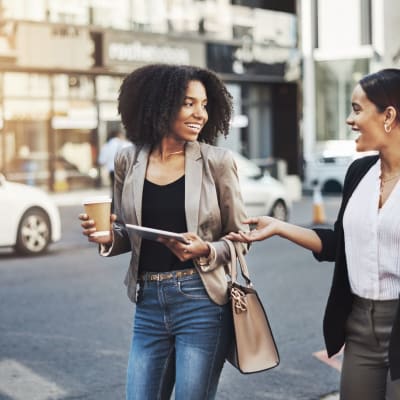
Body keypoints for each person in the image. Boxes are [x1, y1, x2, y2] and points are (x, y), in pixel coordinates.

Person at [227, 68, 400, 400]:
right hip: (360, 326)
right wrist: (279, 227)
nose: (350, 119)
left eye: (357, 109)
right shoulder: (359, 173)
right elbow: (340, 244)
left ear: (389, 115)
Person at [79, 64, 248, 400]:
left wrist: (206, 250)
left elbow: (240, 238)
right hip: (148, 303)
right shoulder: (129, 161)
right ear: (159, 104)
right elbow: (127, 230)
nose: (199, 113)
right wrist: (108, 238)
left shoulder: (217, 162)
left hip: (201, 300)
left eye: (204, 104)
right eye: (189, 103)